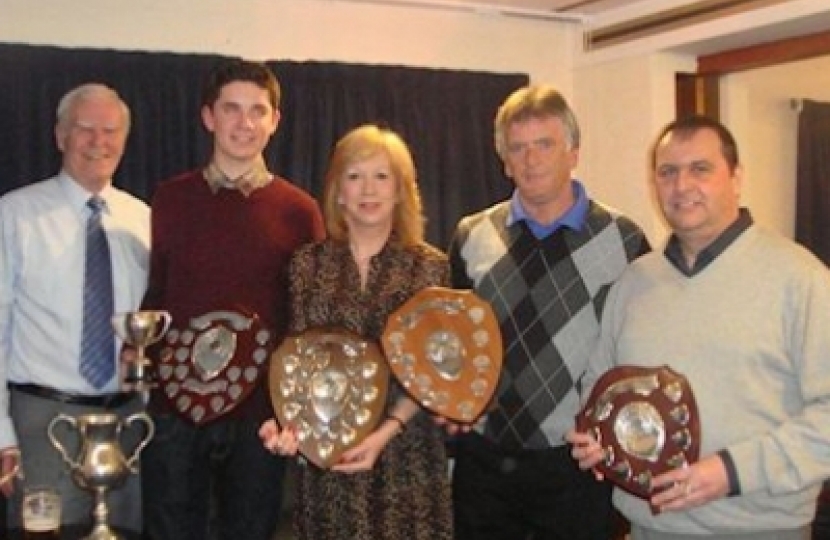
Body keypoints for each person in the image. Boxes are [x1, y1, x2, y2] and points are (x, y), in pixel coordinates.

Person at [568, 115, 830, 540]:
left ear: (737, 178)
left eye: (700, 169)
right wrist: (597, 437)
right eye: (668, 172)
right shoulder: (633, 283)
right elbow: (599, 384)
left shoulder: (801, 280)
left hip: (759, 530)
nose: (682, 185)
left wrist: (732, 471)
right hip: (649, 529)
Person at [447, 84, 650, 540]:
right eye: (518, 148)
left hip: (574, 463)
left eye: (545, 144)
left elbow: (639, 350)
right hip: (484, 460)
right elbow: (453, 338)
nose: (531, 159)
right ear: (504, 161)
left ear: (573, 151)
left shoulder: (624, 240)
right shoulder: (470, 235)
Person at [139, 59, 325, 540]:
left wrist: (294, 408)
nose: (244, 123)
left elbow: (308, 320)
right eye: (232, 109)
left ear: (275, 121)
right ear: (208, 117)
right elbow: (154, 294)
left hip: (260, 414)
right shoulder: (169, 199)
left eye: (257, 111)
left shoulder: (301, 211)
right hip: (176, 408)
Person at [259, 124, 453, 540]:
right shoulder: (305, 265)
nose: (368, 189)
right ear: (338, 192)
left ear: (401, 190)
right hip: (329, 458)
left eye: (382, 177)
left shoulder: (430, 267)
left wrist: (386, 432)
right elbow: (293, 361)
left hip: (406, 455)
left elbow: (434, 368)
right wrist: (285, 425)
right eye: (354, 176)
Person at [0, 84, 150, 532]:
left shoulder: (145, 219)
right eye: (85, 129)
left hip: (123, 421)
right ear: (60, 135)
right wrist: (0, 434)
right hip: (42, 422)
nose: (98, 142)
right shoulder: (14, 214)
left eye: (110, 130)